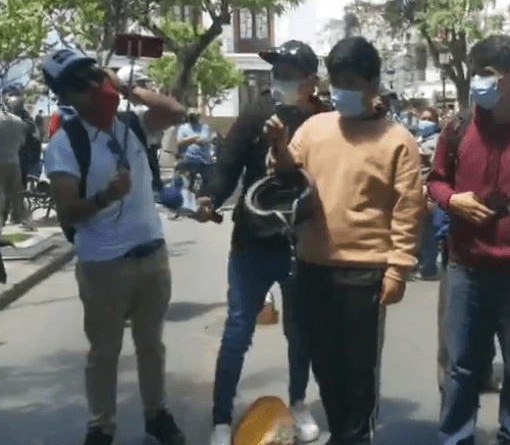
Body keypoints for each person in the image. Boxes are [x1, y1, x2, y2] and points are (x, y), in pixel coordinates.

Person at [268, 36, 424, 445]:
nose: (341, 91)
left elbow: (408, 209)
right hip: (312, 267)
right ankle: (342, 434)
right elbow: (286, 177)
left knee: (359, 376)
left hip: (365, 274)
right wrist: (278, 149)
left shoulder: (398, 141)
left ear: (373, 84)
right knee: (325, 368)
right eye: (336, 82)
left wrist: (398, 269)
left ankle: (355, 437)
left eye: (351, 83)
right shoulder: (314, 129)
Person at [41, 48, 188, 445]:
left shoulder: (132, 125)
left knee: (151, 346)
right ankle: (101, 426)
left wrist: (127, 88)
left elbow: (176, 112)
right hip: (103, 266)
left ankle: (157, 414)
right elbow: (68, 212)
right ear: (65, 97)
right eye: (80, 84)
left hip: (151, 256)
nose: (92, 87)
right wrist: (106, 196)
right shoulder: (65, 144)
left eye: (94, 75)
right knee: (104, 353)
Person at [196, 40, 329, 445]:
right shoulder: (256, 114)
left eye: (289, 73)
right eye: (277, 71)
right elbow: (228, 163)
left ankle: (299, 402)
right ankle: (221, 418)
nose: (280, 79)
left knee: (300, 333)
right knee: (238, 330)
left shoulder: (323, 120)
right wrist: (209, 197)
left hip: (300, 244)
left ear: (310, 81)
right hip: (252, 241)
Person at [427, 34, 510, 445]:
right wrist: (452, 200)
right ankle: (456, 437)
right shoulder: (458, 127)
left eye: (486, 74)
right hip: (465, 266)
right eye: (475, 73)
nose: (477, 82)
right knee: (461, 366)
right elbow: (436, 180)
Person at [0, 89, 36, 231]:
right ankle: (25, 221)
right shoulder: (19, 121)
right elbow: (22, 142)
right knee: (17, 195)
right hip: (14, 160)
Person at [117, 65, 165, 183]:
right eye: (141, 85)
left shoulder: (117, 106)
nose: (145, 89)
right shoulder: (139, 110)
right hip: (142, 158)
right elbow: (171, 111)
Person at [415, 106, 445, 282]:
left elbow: (437, 165)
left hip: (429, 190)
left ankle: (428, 267)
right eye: (423, 119)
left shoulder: (438, 141)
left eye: (429, 119)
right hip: (415, 189)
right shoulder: (418, 139)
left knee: (428, 231)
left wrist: (424, 155)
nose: (424, 123)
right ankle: (420, 262)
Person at [175, 110, 216, 196]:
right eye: (191, 115)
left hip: (204, 160)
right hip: (188, 159)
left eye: (194, 115)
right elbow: (179, 141)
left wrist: (187, 139)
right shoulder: (183, 127)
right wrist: (195, 136)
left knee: (209, 184)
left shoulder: (204, 127)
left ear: (198, 116)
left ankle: (205, 198)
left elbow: (203, 140)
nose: (192, 117)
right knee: (184, 182)